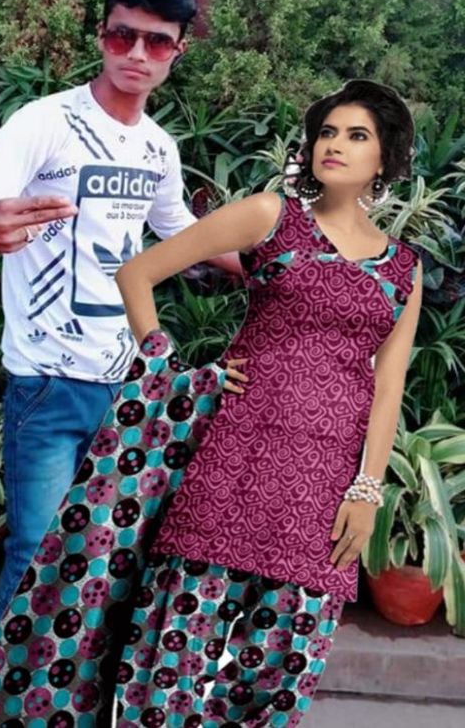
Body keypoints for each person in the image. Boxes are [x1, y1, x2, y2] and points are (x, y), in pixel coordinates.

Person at [0, 0, 241, 627]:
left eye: (157, 42)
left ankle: (70, 678)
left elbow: (179, 229)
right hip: (46, 381)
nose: (137, 54)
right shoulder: (46, 123)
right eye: (123, 35)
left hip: (123, 379)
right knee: (35, 552)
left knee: (99, 551)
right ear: (101, 35)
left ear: (178, 52)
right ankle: (8, 681)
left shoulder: (157, 148)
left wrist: (271, 264)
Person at [112, 78, 422, 725]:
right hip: (233, 461)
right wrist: (172, 373)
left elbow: (388, 386)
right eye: (327, 132)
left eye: (356, 135)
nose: (334, 144)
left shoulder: (404, 269)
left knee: (281, 674)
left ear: (385, 157)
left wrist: (368, 490)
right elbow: (137, 272)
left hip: (323, 489)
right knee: (174, 661)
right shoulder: (270, 216)